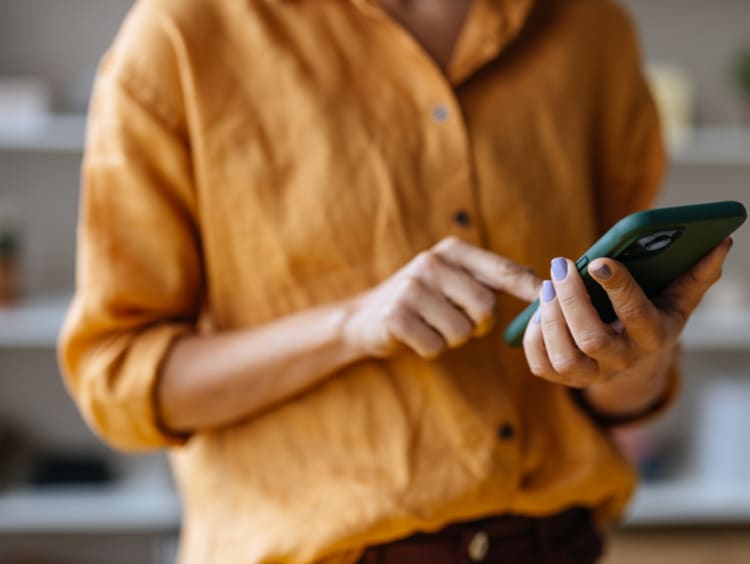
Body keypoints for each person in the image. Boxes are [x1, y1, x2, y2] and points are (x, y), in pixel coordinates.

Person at [59, 0, 732, 562]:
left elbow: (626, 394)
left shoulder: (592, 31)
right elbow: (117, 377)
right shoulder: (183, 35)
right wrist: (350, 326)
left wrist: (634, 356)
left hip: (557, 543)